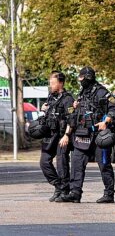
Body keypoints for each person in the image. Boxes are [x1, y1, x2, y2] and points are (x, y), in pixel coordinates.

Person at [57, 66, 115, 203]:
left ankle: (109, 194)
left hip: (98, 136)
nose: (80, 80)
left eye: (81, 78)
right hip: (82, 134)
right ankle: (75, 193)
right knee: (77, 163)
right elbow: (75, 114)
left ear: (88, 77)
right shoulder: (82, 92)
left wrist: (106, 122)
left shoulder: (102, 92)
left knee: (104, 165)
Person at [38, 71, 74, 202]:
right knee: (44, 162)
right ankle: (58, 185)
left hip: (62, 136)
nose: (50, 85)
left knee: (62, 163)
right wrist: (43, 110)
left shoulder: (68, 99)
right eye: (50, 83)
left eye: (53, 83)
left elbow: (71, 119)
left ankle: (65, 190)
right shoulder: (50, 98)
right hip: (50, 135)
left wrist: (67, 135)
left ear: (60, 83)